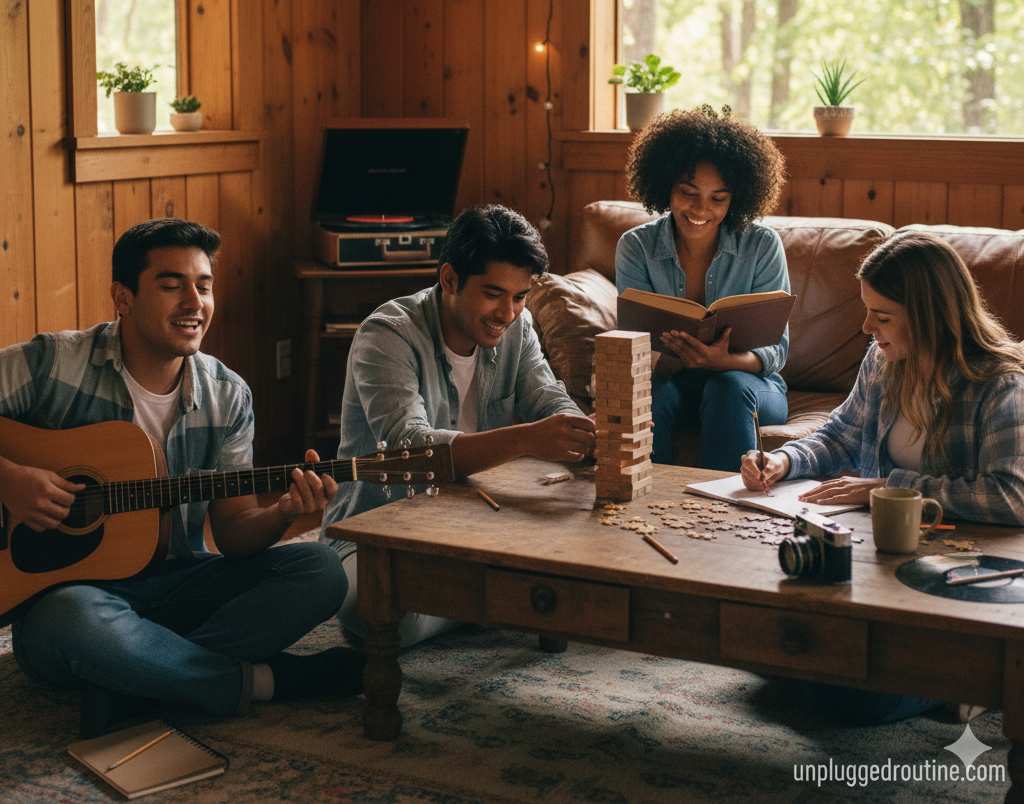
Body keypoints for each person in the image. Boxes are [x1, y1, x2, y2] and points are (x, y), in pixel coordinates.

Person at [0, 218, 361, 737]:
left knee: (321, 569)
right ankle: (261, 681)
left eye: (205, 285)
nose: (195, 302)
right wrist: (10, 480)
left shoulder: (228, 396)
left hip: (180, 587)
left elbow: (234, 532)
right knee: (68, 621)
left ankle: (138, 673)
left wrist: (284, 514)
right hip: (73, 599)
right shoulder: (54, 364)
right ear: (122, 298)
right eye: (172, 286)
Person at [740, 229, 1024, 722]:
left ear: (930, 317)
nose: (867, 325)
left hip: (960, 575)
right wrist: (784, 460)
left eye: (883, 315)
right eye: (867, 308)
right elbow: (840, 436)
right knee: (764, 643)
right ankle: (936, 676)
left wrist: (893, 487)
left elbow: (1013, 496)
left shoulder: (1001, 384)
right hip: (887, 563)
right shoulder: (883, 360)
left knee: (842, 695)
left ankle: (966, 687)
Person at [320, 204, 596, 646]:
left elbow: (548, 400)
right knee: (388, 616)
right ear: (449, 279)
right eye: (493, 293)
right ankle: (504, 601)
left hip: (481, 526)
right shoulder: (387, 334)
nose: (508, 312)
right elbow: (412, 449)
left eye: (520, 296)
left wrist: (595, 430)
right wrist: (528, 438)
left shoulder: (517, 327)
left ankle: (483, 597)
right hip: (379, 537)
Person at [615, 104, 790, 469]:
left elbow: (776, 350)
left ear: (737, 197)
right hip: (670, 385)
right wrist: (681, 361)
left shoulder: (761, 245)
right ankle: (644, 507)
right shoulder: (636, 247)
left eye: (718, 198)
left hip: (748, 388)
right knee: (646, 394)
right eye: (688, 192)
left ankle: (726, 515)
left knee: (727, 387)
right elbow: (636, 350)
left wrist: (724, 362)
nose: (700, 209)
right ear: (666, 186)